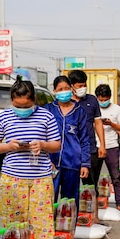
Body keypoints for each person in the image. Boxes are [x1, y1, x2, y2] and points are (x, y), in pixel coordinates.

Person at [0, 78, 62, 239]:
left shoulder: (46, 116)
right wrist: (8, 146)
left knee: (43, 225)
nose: (22, 110)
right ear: (11, 100)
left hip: (40, 179)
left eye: (26, 106)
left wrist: (42, 145)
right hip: (12, 178)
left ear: (34, 100)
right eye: (17, 106)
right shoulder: (3, 117)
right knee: (13, 227)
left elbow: (56, 144)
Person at [44, 75, 91, 204]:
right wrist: (46, 159)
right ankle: (49, 225)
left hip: (72, 163)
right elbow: (40, 135)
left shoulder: (79, 111)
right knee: (48, 201)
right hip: (50, 164)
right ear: (54, 91)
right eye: (60, 89)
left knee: (70, 203)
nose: (63, 91)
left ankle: (68, 225)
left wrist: (85, 164)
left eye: (66, 88)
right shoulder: (48, 110)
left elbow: (84, 139)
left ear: (71, 89)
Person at [66, 70, 105, 223]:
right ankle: (72, 219)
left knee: (91, 185)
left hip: (90, 150)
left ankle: (94, 218)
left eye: (84, 85)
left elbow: (98, 123)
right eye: (79, 85)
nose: (83, 88)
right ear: (72, 87)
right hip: (70, 152)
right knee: (70, 187)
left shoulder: (92, 101)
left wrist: (102, 144)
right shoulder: (66, 102)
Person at [94, 84, 120, 214]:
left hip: (112, 146)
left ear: (110, 97)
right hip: (96, 146)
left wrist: (111, 124)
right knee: (94, 178)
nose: (103, 102)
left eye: (105, 99)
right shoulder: (94, 108)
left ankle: (119, 204)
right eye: (101, 100)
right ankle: (95, 205)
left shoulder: (117, 109)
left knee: (115, 176)